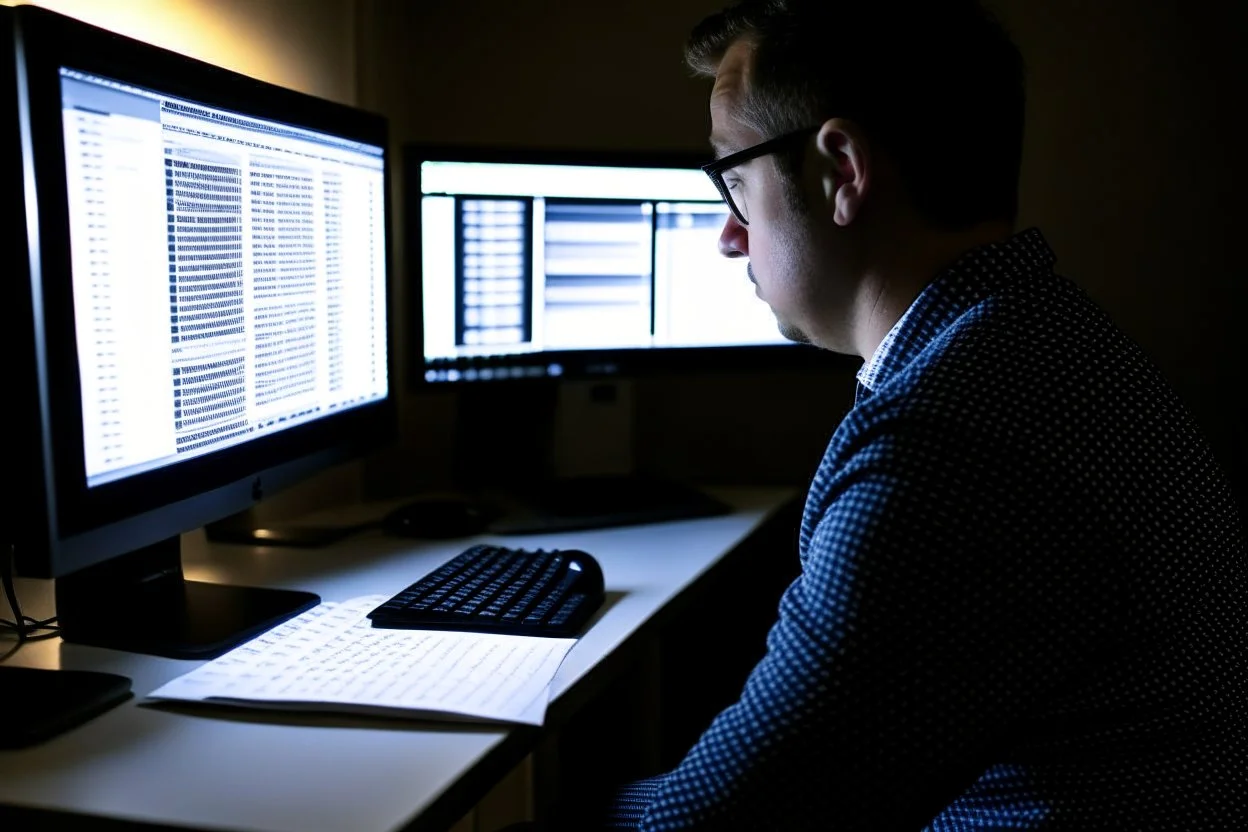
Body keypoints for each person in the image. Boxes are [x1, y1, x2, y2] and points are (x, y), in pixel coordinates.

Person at [529, 0, 1248, 829]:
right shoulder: (1040, 338)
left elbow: (737, 822)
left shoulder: (953, 439)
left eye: (735, 180)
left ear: (841, 171)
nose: (730, 234)